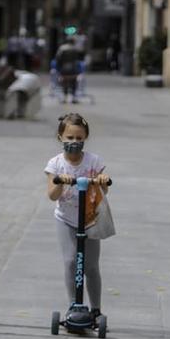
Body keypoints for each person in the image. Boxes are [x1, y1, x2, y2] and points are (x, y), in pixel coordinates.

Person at [45, 113, 112, 320]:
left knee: (91, 266)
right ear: (60, 138)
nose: (75, 142)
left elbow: (104, 192)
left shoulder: (94, 161)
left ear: (85, 138)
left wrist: (101, 180)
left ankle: (96, 309)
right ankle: (73, 305)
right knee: (70, 261)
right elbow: (51, 195)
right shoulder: (55, 164)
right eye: (70, 138)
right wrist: (60, 182)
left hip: (89, 218)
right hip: (66, 219)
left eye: (79, 138)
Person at [55, 36, 84, 104]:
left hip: (64, 69)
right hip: (74, 70)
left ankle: (65, 98)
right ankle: (73, 98)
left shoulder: (62, 48)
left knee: (64, 82)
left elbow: (58, 59)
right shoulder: (76, 49)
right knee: (74, 82)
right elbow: (80, 59)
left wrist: (58, 69)